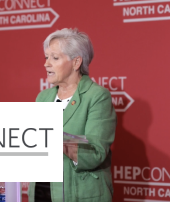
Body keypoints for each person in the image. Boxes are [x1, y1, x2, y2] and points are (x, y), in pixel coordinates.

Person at [28, 28, 117, 202]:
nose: (46, 64)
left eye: (55, 58)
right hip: (42, 193)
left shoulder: (97, 97)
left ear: (76, 63)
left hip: (79, 195)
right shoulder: (43, 97)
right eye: (46, 57)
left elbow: (95, 153)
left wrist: (52, 136)